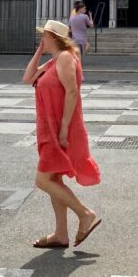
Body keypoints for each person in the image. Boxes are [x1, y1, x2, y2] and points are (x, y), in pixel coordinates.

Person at [22, 19, 101, 249]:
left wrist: (65, 127)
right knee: (54, 178)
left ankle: (85, 214)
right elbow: (27, 78)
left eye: (43, 37)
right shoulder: (53, 61)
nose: (41, 40)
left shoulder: (66, 58)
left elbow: (72, 93)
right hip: (49, 128)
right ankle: (61, 233)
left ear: (53, 37)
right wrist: (39, 52)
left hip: (60, 128)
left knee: (42, 179)